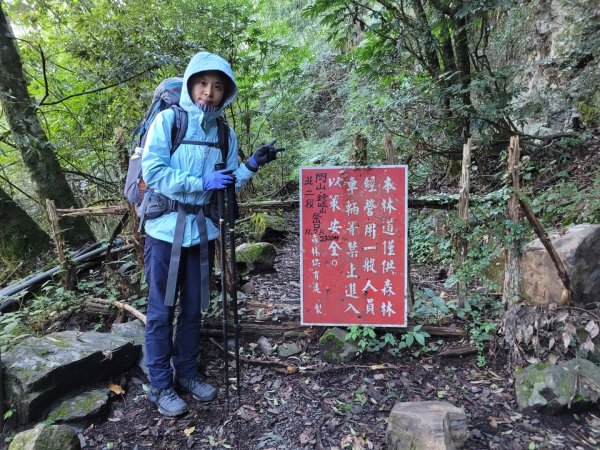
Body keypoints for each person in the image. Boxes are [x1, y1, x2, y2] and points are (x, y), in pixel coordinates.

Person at [141, 51, 281, 417]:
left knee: (192, 309)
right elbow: (153, 172)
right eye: (203, 84)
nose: (208, 92)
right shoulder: (169, 122)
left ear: (225, 93)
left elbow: (227, 180)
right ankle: (159, 384)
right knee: (161, 311)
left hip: (201, 233)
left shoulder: (223, 132)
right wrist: (198, 181)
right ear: (190, 84)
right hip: (165, 231)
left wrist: (251, 164)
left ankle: (186, 373)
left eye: (217, 87)